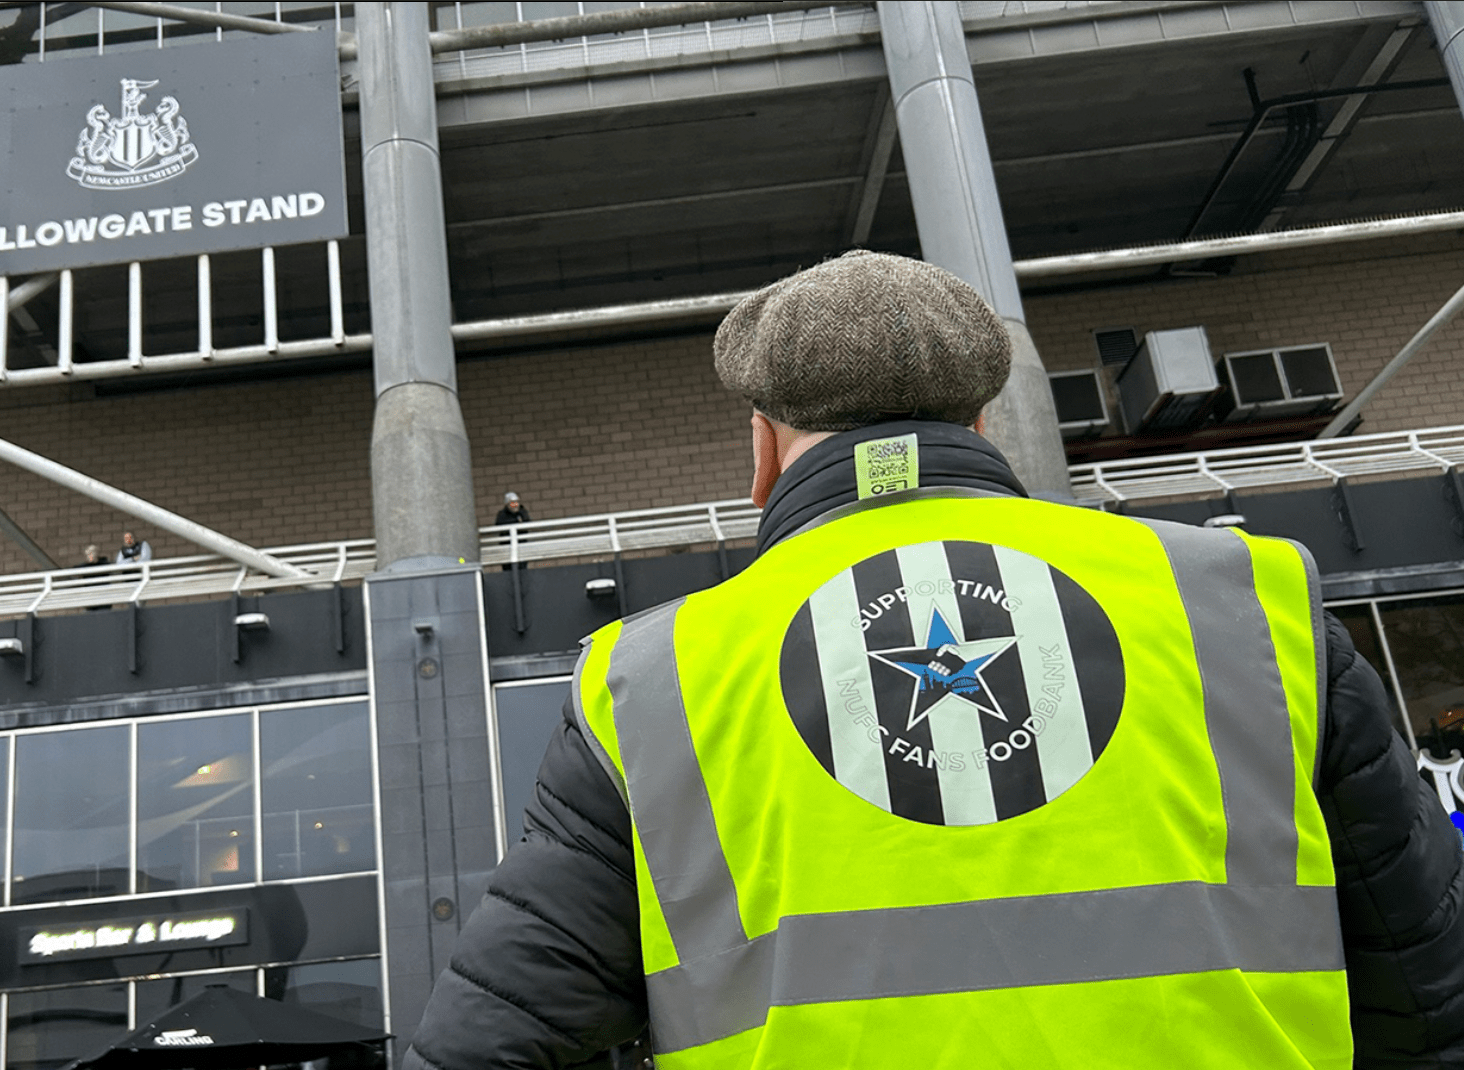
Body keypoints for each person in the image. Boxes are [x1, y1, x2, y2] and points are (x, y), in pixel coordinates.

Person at [401, 251, 1464, 1068]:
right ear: (981, 418)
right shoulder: (1242, 603)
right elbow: (1425, 982)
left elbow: (491, 1039)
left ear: (762, 444)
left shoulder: (652, 681)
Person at [495, 492, 532, 572]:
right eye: (512, 503)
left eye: (516, 502)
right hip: (507, 547)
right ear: (507, 505)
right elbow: (500, 526)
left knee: (523, 569)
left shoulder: (522, 512)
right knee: (508, 570)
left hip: (521, 545)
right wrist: (516, 521)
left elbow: (527, 524)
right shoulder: (502, 515)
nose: (515, 505)